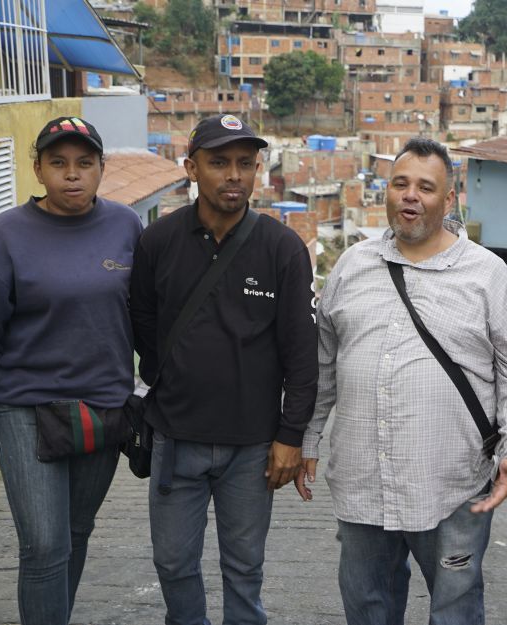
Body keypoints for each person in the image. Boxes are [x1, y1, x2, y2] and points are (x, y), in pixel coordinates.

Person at [298, 137, 507, 624]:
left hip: (453, 485)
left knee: (455, 609)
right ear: (385, 192)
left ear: (449, 200)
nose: (410, 196)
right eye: (400, 184)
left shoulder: (488, 275)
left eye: (426, 187)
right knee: (368, 607)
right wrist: (309, 436)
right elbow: (324, 361)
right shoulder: (352, 266)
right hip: (364, 480)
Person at [129, 114, 317, 625]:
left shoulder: (283, 250)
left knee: (244, 566)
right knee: (172, 562)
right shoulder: (157, 243)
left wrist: (290, 435)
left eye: (245, 163)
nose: (234, 175)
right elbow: (143, 326)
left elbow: (302, 353)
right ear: (192, 168)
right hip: (174, 437)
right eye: (218, 163)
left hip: (252, 447)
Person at [0, 116, 142, 625]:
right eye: (58, 163)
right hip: (26, 407)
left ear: (102, 168)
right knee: (43, 545)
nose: (72, 175)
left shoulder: (126, 225)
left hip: (103, 408)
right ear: (37, 169)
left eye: (84, 163)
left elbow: (146, 318)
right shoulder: (7, 234)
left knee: (75, 534)